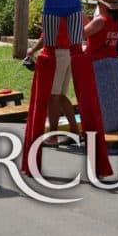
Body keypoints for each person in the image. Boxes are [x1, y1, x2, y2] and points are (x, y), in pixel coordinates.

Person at [22, 0, 112, 178]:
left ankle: (87, 143)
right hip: (52, 4)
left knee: (77, 51)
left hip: (72, 4)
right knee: (50, 52)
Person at [25, 19, 80, 147]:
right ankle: (75, 131)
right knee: (60, 96)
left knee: (53, 96)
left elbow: (46, 37)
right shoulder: (69, 13)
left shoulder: (54, 12)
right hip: (68, 52)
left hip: (57, 53)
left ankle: (53, 136)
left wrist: (32, 51)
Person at [85, 0, 118, 132]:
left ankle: (104, 128)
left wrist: (81, 17)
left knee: (100, 99)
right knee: (115, 98)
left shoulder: (100, 20)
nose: (97, 5)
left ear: (103, 5)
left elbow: (82, 33)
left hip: (98, 63)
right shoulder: (115, 22)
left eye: (98, 3)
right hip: (112, 62)